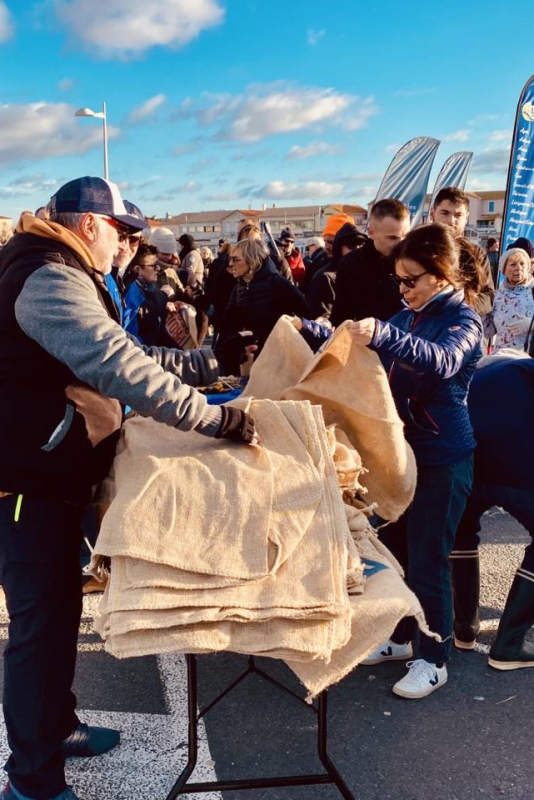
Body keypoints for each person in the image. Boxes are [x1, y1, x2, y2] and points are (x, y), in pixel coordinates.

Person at [0, 176, 256, 800]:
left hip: (47, 477)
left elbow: (129, 352)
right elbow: (116, 366)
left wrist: (207, 360)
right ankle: (32, 782)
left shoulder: (58, 267)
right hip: (26, 486)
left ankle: (56, 728)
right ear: (89, 223)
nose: (126, 245)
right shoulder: (48, 275)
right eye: (121, 231)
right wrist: (214, 418)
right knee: (38, 630)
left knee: (59, 617)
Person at [351, 223, 482, 699]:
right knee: (398, 557)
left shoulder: (464, 322)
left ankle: (434, 658)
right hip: (400, 458)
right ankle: (402, 638)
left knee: (428, 561)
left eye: (411, 280)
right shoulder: (407, 317)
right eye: (399, 281)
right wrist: (315, 332)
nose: (402, 290)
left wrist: (383, 333)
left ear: (442, 275)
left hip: (443, 460)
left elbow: (441, 360)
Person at [451, 355, 534, 669]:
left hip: (468, 459)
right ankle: (509, 644)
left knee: (462, 529)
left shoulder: (501, 366)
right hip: (520, 466)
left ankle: (463, 628)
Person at [215, 237, 311, 374]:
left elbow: (306, 315)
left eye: (236, 260)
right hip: (250, 361)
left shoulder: (277, 283)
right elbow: (227, 326)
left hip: (280, 360)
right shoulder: (238, 288)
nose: (231, 264)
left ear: (252, 260)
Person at [330, 198, 410, 327]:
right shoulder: (350, 265)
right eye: (392, 238)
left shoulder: (416, 261)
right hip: (366, 341)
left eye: (405, 236)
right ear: (371, 233)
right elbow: (341, 315)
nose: (401, 244)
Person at [430, 187, 494, 319]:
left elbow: (488, 296)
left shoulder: (476, 254)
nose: (451, 220)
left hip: (462, 328)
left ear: (467, 218)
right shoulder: (416, 248)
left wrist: (460, 306)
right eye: (445, 213)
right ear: (432, 214)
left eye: (458, 215)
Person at [306, 222, 366, 320]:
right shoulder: (325, 278)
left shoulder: (367, 275)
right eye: (352, 246)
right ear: (339, 248)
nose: (358, 250)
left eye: (361, 245)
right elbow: (321, 322)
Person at [123, 243, 174, 346]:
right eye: (153, 266)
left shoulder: (149, 286)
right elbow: (132, 335)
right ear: (138, 269)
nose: (158, 269)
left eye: (157, 264)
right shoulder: (132, 295)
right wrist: (163, 295)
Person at [490, 248, 534, 353]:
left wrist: (531, 324)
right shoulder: (497, 294)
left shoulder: (533, 289)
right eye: (513, 264)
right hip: (501, 356)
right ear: (504, 270)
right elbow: (489, 331)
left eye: (522, 263)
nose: (518, 268)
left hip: (528, 359)